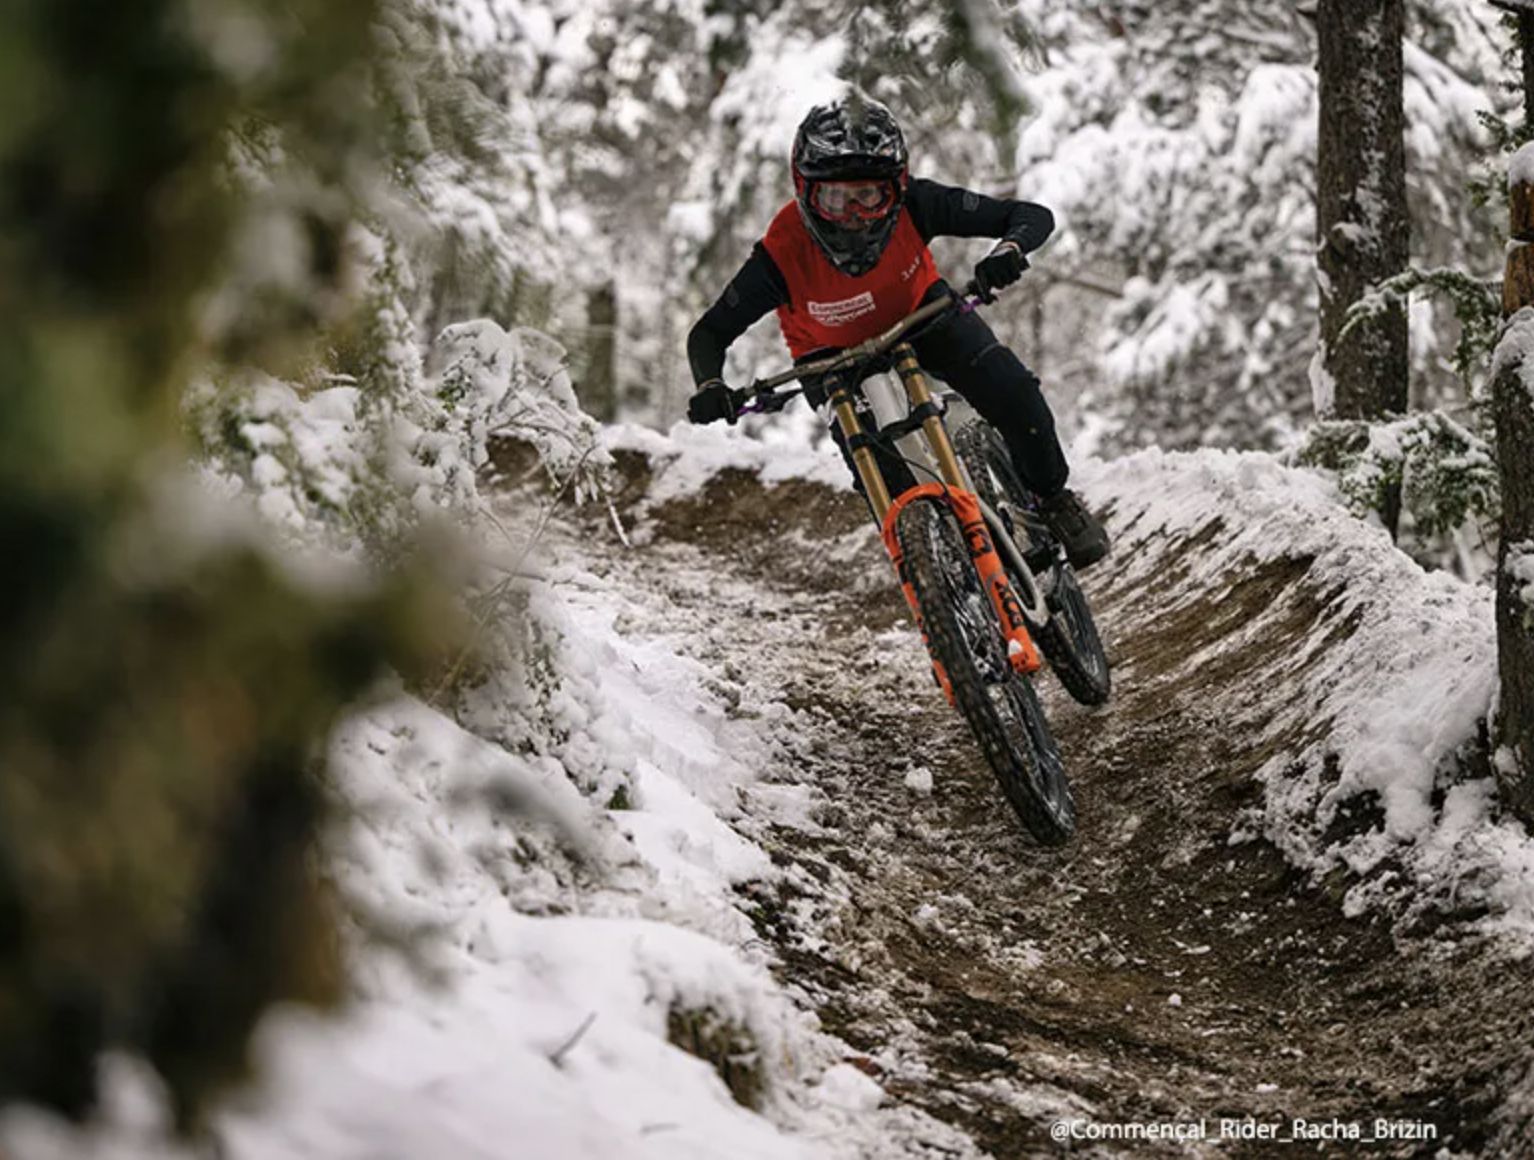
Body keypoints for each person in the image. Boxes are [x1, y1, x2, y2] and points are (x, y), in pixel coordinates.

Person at [684, 96, 1109, 570]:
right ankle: (939, 576)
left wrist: (1007, 250)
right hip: (829, 360)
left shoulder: (919, 204)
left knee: (1014, 393)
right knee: (884, 481)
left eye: (870, 197)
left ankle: (1053, 499)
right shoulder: (781, 251)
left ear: (898, 187)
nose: (853, 215)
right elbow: (709, 333)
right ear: (806, 192)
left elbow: (1029, 215)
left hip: (923, 317)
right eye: (835, 199)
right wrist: (710, 385)